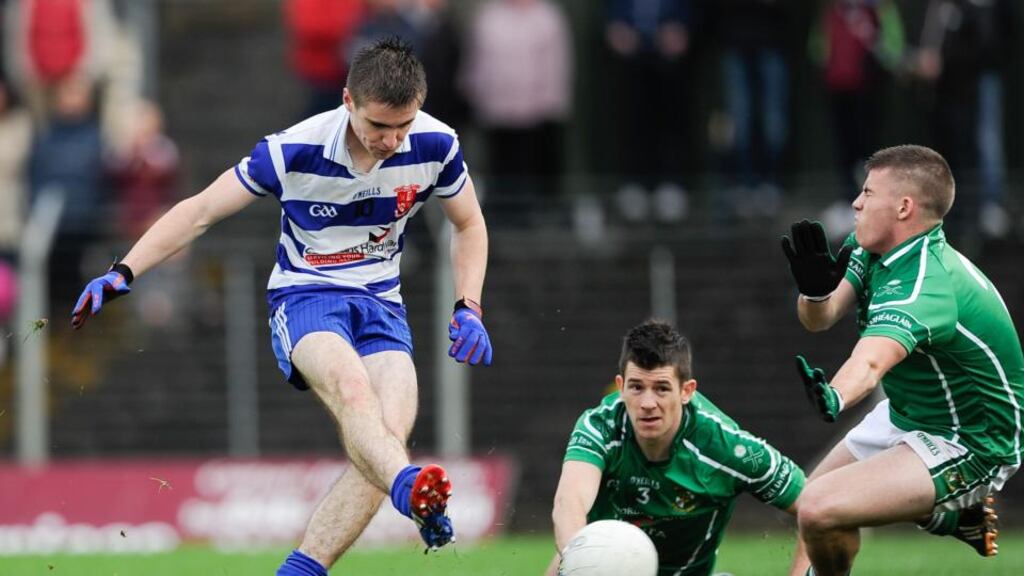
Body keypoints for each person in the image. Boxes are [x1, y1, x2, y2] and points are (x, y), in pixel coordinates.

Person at [70, 38, 493, 576]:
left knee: (384, 441)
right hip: (306, 296)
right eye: (377, 126)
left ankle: (312, 561)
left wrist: (469, 306)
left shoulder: (436, 143)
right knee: (354, 394)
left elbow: (469, 223)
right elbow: (199, 211)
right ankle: (409, 489)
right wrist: (123, 269)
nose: (391, 141)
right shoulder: (292, 150)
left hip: (383, 302)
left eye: (402, 126)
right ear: (347, 100)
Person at [780, 144, 1024, 576]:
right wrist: (815, 291)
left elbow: (872, 361)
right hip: (912, 414)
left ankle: (953, 510)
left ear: (904, 207)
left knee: (820, 508)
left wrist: (835, 394)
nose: (856, 202)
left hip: (971, 440)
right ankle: (952, 516)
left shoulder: (926, 284)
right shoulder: (872, 249)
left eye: (869, 192)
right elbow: (819, 318)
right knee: (810, 503)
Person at [547, 320, 805, 576]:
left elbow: (814, 506)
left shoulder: (727, 447)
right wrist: (579, 562)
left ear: (686, 391)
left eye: (661, 389)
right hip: (603, 565)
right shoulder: (599, 426)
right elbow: (570, 501)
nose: (647, 403)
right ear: (621, 386)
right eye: (636, 387)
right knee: (560, 565)